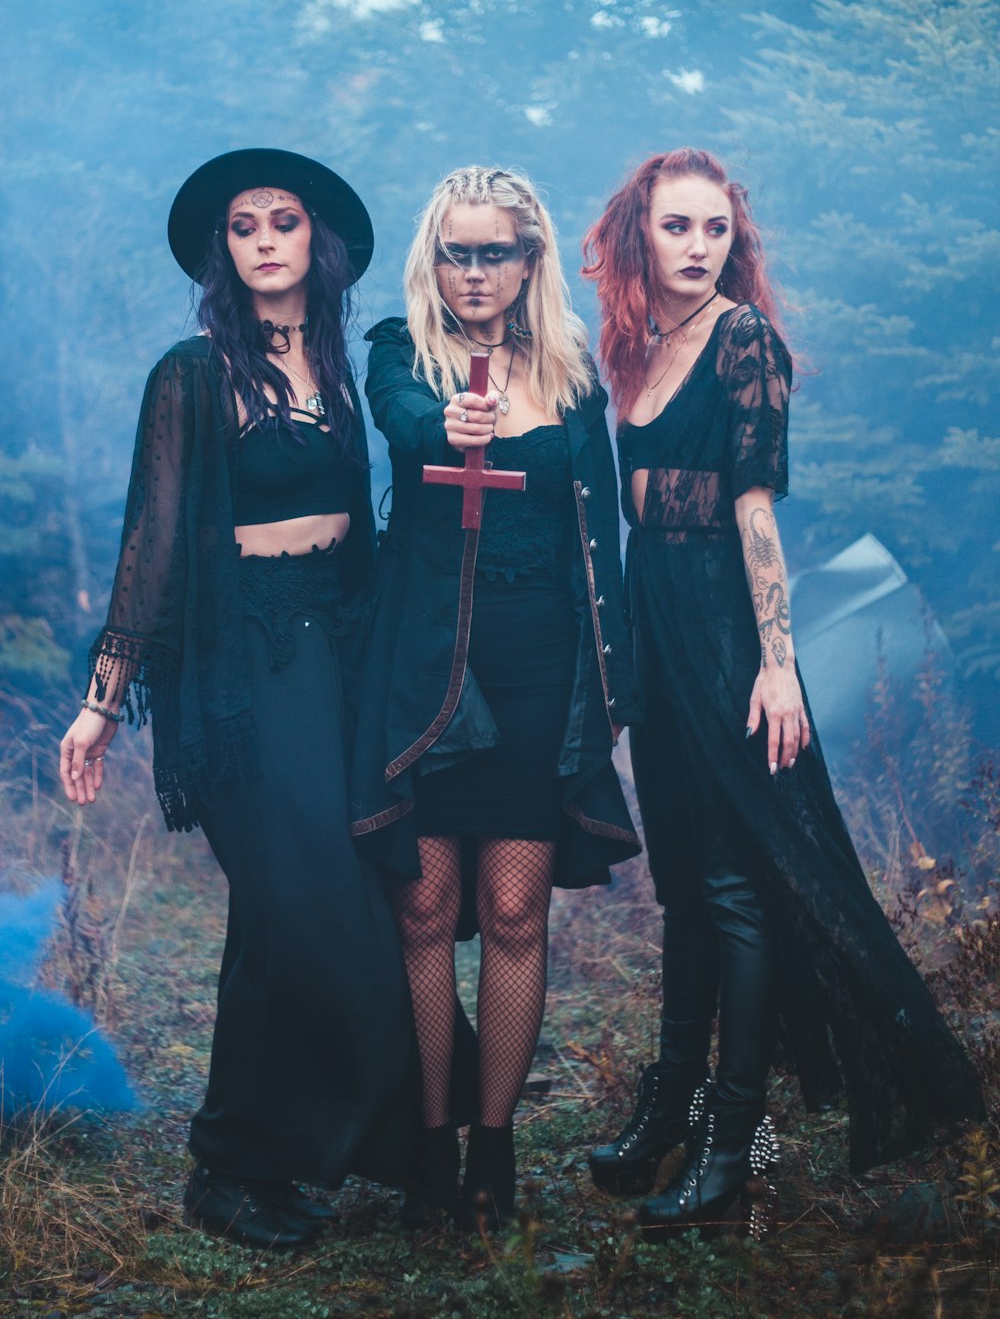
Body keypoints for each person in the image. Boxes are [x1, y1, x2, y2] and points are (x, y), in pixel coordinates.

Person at [582, 147, 984, 1241]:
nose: (698, 247)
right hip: (656, 621)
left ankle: (729, 1147)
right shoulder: (642, 343)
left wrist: (773, 660)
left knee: (734, 885)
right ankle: (664, 1111)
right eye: (677, 227)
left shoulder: (743, 338)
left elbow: (755, 508)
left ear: (735, 240)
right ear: (640, 233)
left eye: (716, 229)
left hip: (722, 624)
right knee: (684, 879)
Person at [58, 148, 416, 1249]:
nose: (264, 239)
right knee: (317, 913)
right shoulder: (192, 373)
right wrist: (103, 702)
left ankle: (242, 1169)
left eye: (285, 221)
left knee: (276, 924)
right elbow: (150, 546)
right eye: (245, 225)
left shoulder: (350, 369)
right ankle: (389, 1144)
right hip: (241, 671)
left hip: (343, 660)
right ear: (225, 249)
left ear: (319, 243)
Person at [351, 165, 641, 1232]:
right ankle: (429, 1144)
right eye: (457, 251)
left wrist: (617, 686)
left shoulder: (568, 378)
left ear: (530, 260)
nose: (475, 272)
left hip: (537, 673)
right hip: (430, 670)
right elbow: (408, 425)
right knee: (423, 908)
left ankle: (494, 1150)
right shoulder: (400, 353)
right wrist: (450, 429)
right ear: (435, 258)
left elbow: (599, 537)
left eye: (497, 251)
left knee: (515, 912)